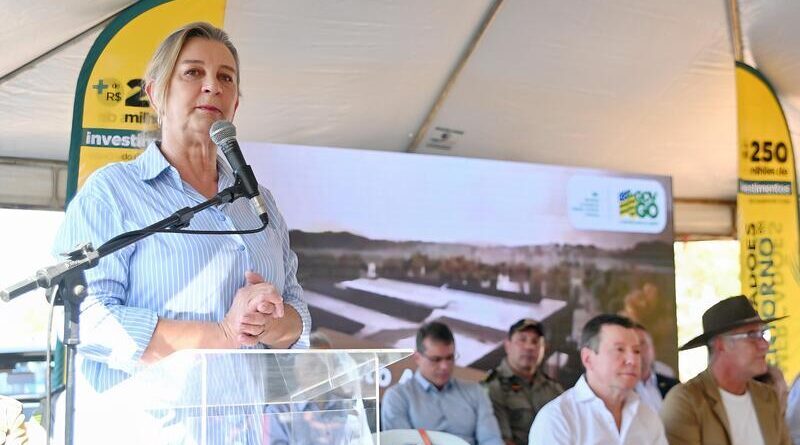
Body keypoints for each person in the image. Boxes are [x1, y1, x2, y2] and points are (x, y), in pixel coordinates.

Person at [53, 22, 311, 441]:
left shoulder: (259, 202)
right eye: (193, 72)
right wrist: (224, 335)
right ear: (156, 93)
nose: (212, 87)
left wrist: (265, 325)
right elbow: (88, 316)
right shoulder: (113, 193)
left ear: (236, 104)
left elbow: (299, 312)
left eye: (226, 78)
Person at [660, 295, 791, 445]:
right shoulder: (686, 402)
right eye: (752, 335)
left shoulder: (768, 397)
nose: (764, 345)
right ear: (721, 345)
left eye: (762, 334)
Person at [528, 314, 667, 445]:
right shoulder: (558, 418)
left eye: (636, 351)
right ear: (588, 359)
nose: (632, 360)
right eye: (619, 349)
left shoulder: (647, 416)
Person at [381, 322, 503, 445]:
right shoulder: (398, 397)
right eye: (436, 359)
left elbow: (491, 439)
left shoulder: (475, 391)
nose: (445, 366)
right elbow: (400, 443)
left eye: (450, 358)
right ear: (417, 358)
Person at [483, 318, 562, 445]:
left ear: (544, 348)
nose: (529, 347)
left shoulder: (554, 389)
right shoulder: (494, 387)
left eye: (535, 342)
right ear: (507, 345)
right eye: (522, 339)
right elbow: (501, 440)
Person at [632, 323, 678, 412]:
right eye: (633, 345)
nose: (638, 350)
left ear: (653, 349)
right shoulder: (619, 389)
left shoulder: (673, 386)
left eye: (642, 343)